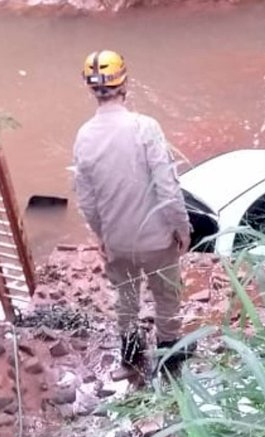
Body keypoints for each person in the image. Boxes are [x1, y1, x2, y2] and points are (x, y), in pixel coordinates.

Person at [72, 49, 192, 374]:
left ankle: (130, 351)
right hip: (156, 240)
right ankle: (170, 353)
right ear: (125, 83)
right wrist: (181, 228)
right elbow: (167, 186)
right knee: (166, 295)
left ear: (90, 88)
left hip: (118, 242)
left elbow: (87, 200)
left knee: (125, 297)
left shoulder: (84, 137)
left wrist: (102, 236)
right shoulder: (145, 128)